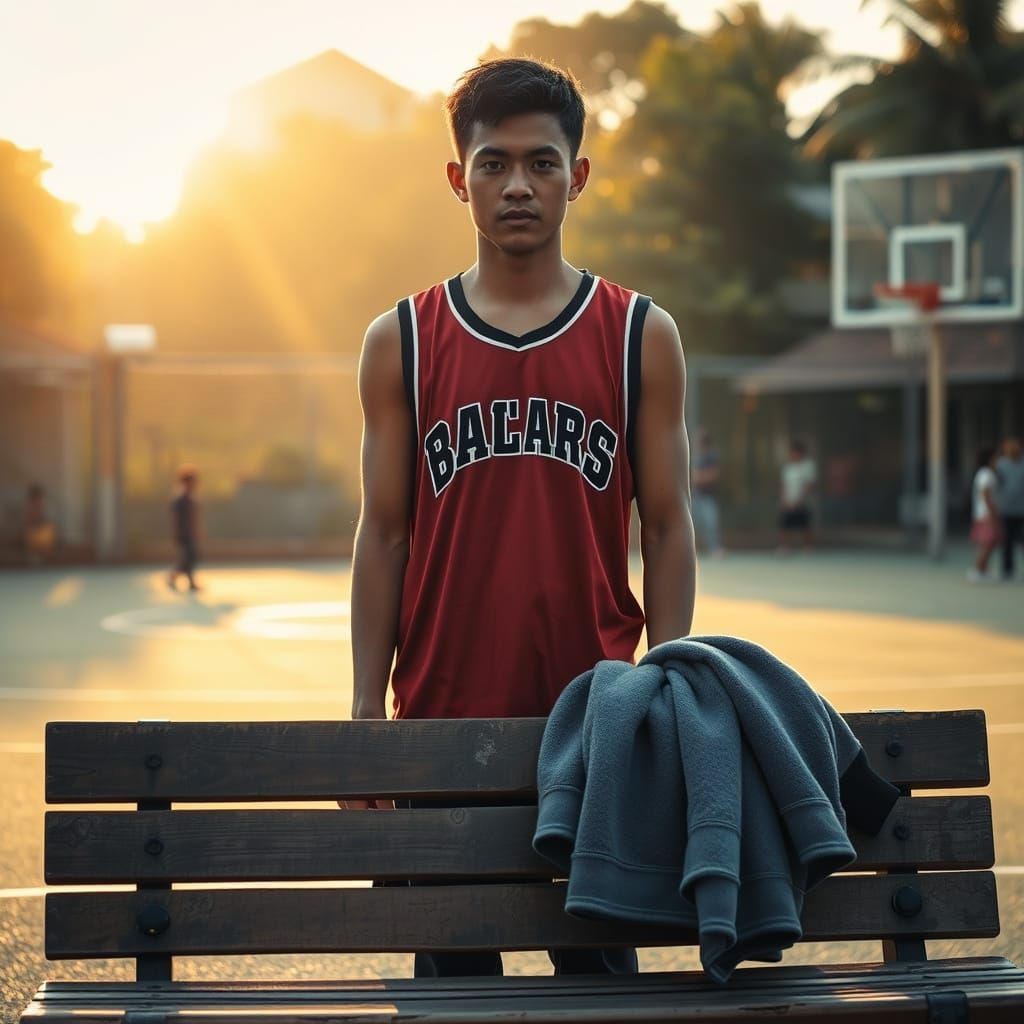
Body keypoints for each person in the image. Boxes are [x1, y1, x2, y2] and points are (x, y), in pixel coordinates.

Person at [349, 58, 696, 977]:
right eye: (494, 163)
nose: (518, 186)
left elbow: (666, 527)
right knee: (452, 985)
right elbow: (384, 532)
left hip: (593, 723)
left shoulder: (638, 334)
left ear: (578, 176)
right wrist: (361, 698)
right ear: (458, 177)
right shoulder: (403, 341)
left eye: (542, 164)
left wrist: (669, 677)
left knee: (598, 980)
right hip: (438, 721)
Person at [968, 445, 1001, 583]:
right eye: (996, 457)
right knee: (988, 543)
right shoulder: (986, 474)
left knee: (989, 543)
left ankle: (983, 569)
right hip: (986, 514)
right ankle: (978, 570)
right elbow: (985, 496)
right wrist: (993, 513)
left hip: (984, 513)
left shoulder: (986, 473)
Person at [778, 439, 816, 552]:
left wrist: (800, 500)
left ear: (800, 453)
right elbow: (783, 485)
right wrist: (784, 500)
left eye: (794, 452)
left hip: (802, 502)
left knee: (804, 524)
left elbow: (810, 485)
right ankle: (785, 546)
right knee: (785, 524)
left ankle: (808, 546)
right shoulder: (788, 467)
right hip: (789, 501)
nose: (792, 455)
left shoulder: (808, 466)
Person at [167, 466, 201, 592]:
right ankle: (174, 575)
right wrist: (176, 534)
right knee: (189, 557)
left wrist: (197, 531)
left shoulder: (190, 499)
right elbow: (176, 519)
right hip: (183, 535)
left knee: (191, 557)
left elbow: (194, 518)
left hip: (189, 534)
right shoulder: (180, 500)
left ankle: (190, 581)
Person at [691, 429, 724, 556]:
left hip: (707, 497)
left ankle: (715, 548)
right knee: (694, 523)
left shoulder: (711, 457)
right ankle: (695, 549)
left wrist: (699, 478)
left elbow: (713, 475)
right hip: (696, 497)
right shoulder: (696, 457)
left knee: (710, 524)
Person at [996, 436, 1024, 580]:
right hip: (1006, 508)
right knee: (1007, 541)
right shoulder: (1000, 465)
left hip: (1022, 509)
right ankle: (1008, 570)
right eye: (1008, 447)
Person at [21, 483, 57, 563]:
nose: (37, 507)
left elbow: (53, 550)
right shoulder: (19, 528)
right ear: (28, 504)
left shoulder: (50, 527)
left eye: (40, 503)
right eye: (34, 503)